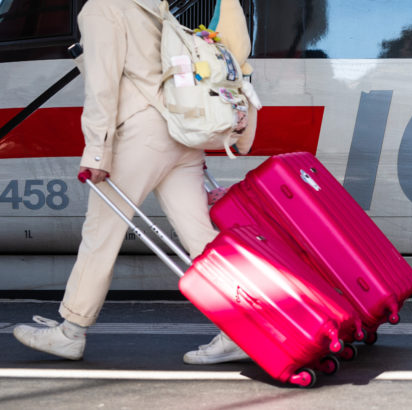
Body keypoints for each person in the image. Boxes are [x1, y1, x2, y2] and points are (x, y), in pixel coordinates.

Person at [13, 0, 254, 365]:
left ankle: (71, 331)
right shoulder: (155, 6)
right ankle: (243, 328)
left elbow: (102, 86)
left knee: (101, 234)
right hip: (181, 135)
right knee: (201, 239)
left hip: (140, 137)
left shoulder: (101, 9)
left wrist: (97, 151)